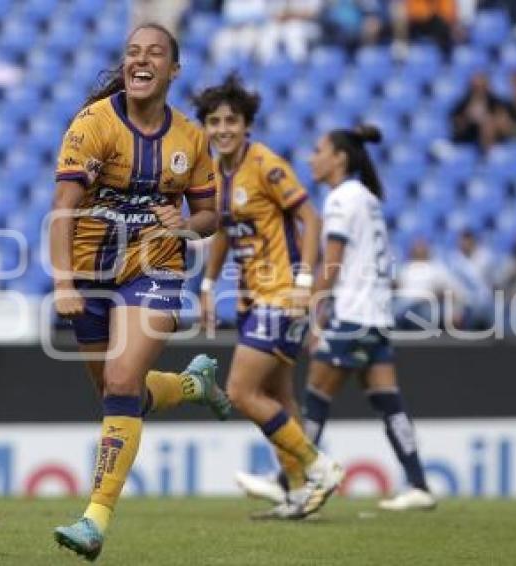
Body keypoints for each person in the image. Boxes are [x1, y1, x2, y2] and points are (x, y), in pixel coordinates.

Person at [49, 24, 231, 561]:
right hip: (88, 272)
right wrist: (63, 282)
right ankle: (193, 387)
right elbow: (62, 208)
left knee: (123, 379)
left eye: (154, 53)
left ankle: (94, 520)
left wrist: (185, 224)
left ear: (174, 69)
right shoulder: (93, 125)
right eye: (133, 53)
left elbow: (209, 218)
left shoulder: (190, 139)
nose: (141, 60)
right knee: (116, 392)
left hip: (155, 269)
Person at [234, 125, 437, 511]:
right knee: (387, 400)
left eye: (318, 150)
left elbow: (332, 261)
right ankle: (419, 484)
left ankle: (287, 480)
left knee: (313, 399)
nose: (312, 158)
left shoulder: (340, 199)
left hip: (352, 313)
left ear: (339, 157)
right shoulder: (367, 198)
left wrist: (312, 309)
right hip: (376, 313)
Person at [194, 74, 343, 520]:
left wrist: (303, 281)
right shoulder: (215, 175)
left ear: (246, 125)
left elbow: (310, 217)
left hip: (280, 294)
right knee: (278, 396)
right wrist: (207, 284)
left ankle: (320, 467)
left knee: (240, 390)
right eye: (214, 121)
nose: (223, 129)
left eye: (231, 121)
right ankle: (298, 492)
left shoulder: (264, 163)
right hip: (252, 298)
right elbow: (223, 229)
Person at [450, 72, 512, 152]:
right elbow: (457, 127)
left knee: (488, 123)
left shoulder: (496, 103)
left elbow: (506, 126)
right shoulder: (463, 103)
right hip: (468, 140)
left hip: (495, 141)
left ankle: (489, 154)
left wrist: (493, 120)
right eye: (476, 88)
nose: (480, 90)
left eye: (482, 87)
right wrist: (468, 117)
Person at [446, 229, 496, 329]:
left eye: (467, 241)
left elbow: (494, 283)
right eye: (461, 241)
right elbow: (452, 287)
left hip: (485, 302)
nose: (464, 244)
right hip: (463, 304)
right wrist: (454, 309)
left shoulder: (486, 257)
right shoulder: (453, 260)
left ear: (473, 241)